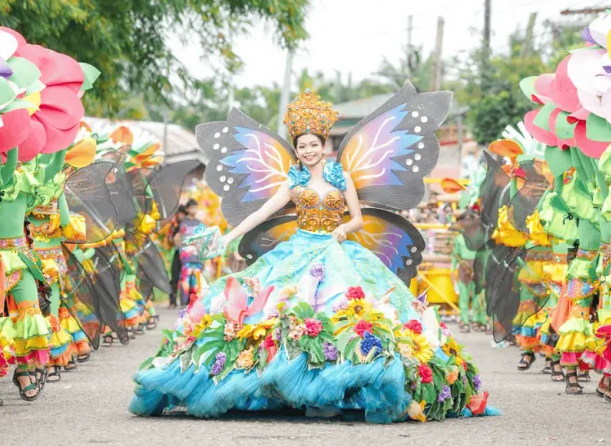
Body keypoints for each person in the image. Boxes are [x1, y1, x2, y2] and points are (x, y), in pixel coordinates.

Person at [130, 86, 490, 423]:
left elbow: (359, 219)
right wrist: (229, 237)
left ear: (323, 144)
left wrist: (342, 229)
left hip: (337, 250)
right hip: (298, 250)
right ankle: (289, 387)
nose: (307, 150)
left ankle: (334, 392)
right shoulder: (293, 181)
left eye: (313, 144)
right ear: (298, 148)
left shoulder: (341, 177)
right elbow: (262, 213)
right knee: (285, 311)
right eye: (301, 146)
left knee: (344, 313)